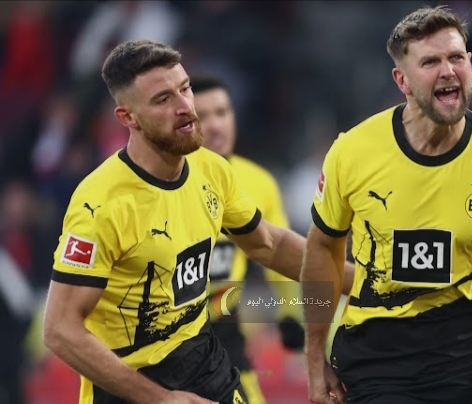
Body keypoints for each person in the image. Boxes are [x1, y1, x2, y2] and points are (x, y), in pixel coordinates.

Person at [42, 40, 353, 404]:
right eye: (163, 99)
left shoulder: (211, 169)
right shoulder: (101, 204)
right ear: (128, 118)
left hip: (204, 361)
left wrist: (364, 283)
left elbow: (269, 244)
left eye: (185, 89)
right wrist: (161, 399)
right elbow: (59, 330)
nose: (186, 107)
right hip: (130, 383)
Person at [301, 5, 472, 404]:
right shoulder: (352, 152)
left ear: (470, 64)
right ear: (402, 80)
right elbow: (323, 247)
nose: (448, 71)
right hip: (380, 367)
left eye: (456, 57)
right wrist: (314, 353)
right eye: (430, 62)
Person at [191, 73, 305, 404]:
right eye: (203, 116)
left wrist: (291, 313)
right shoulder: (165, 182)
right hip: (166, 340)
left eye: (222, 112)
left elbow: (279, 255)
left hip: (224, 332)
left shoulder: (258, 182)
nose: (216, 125)